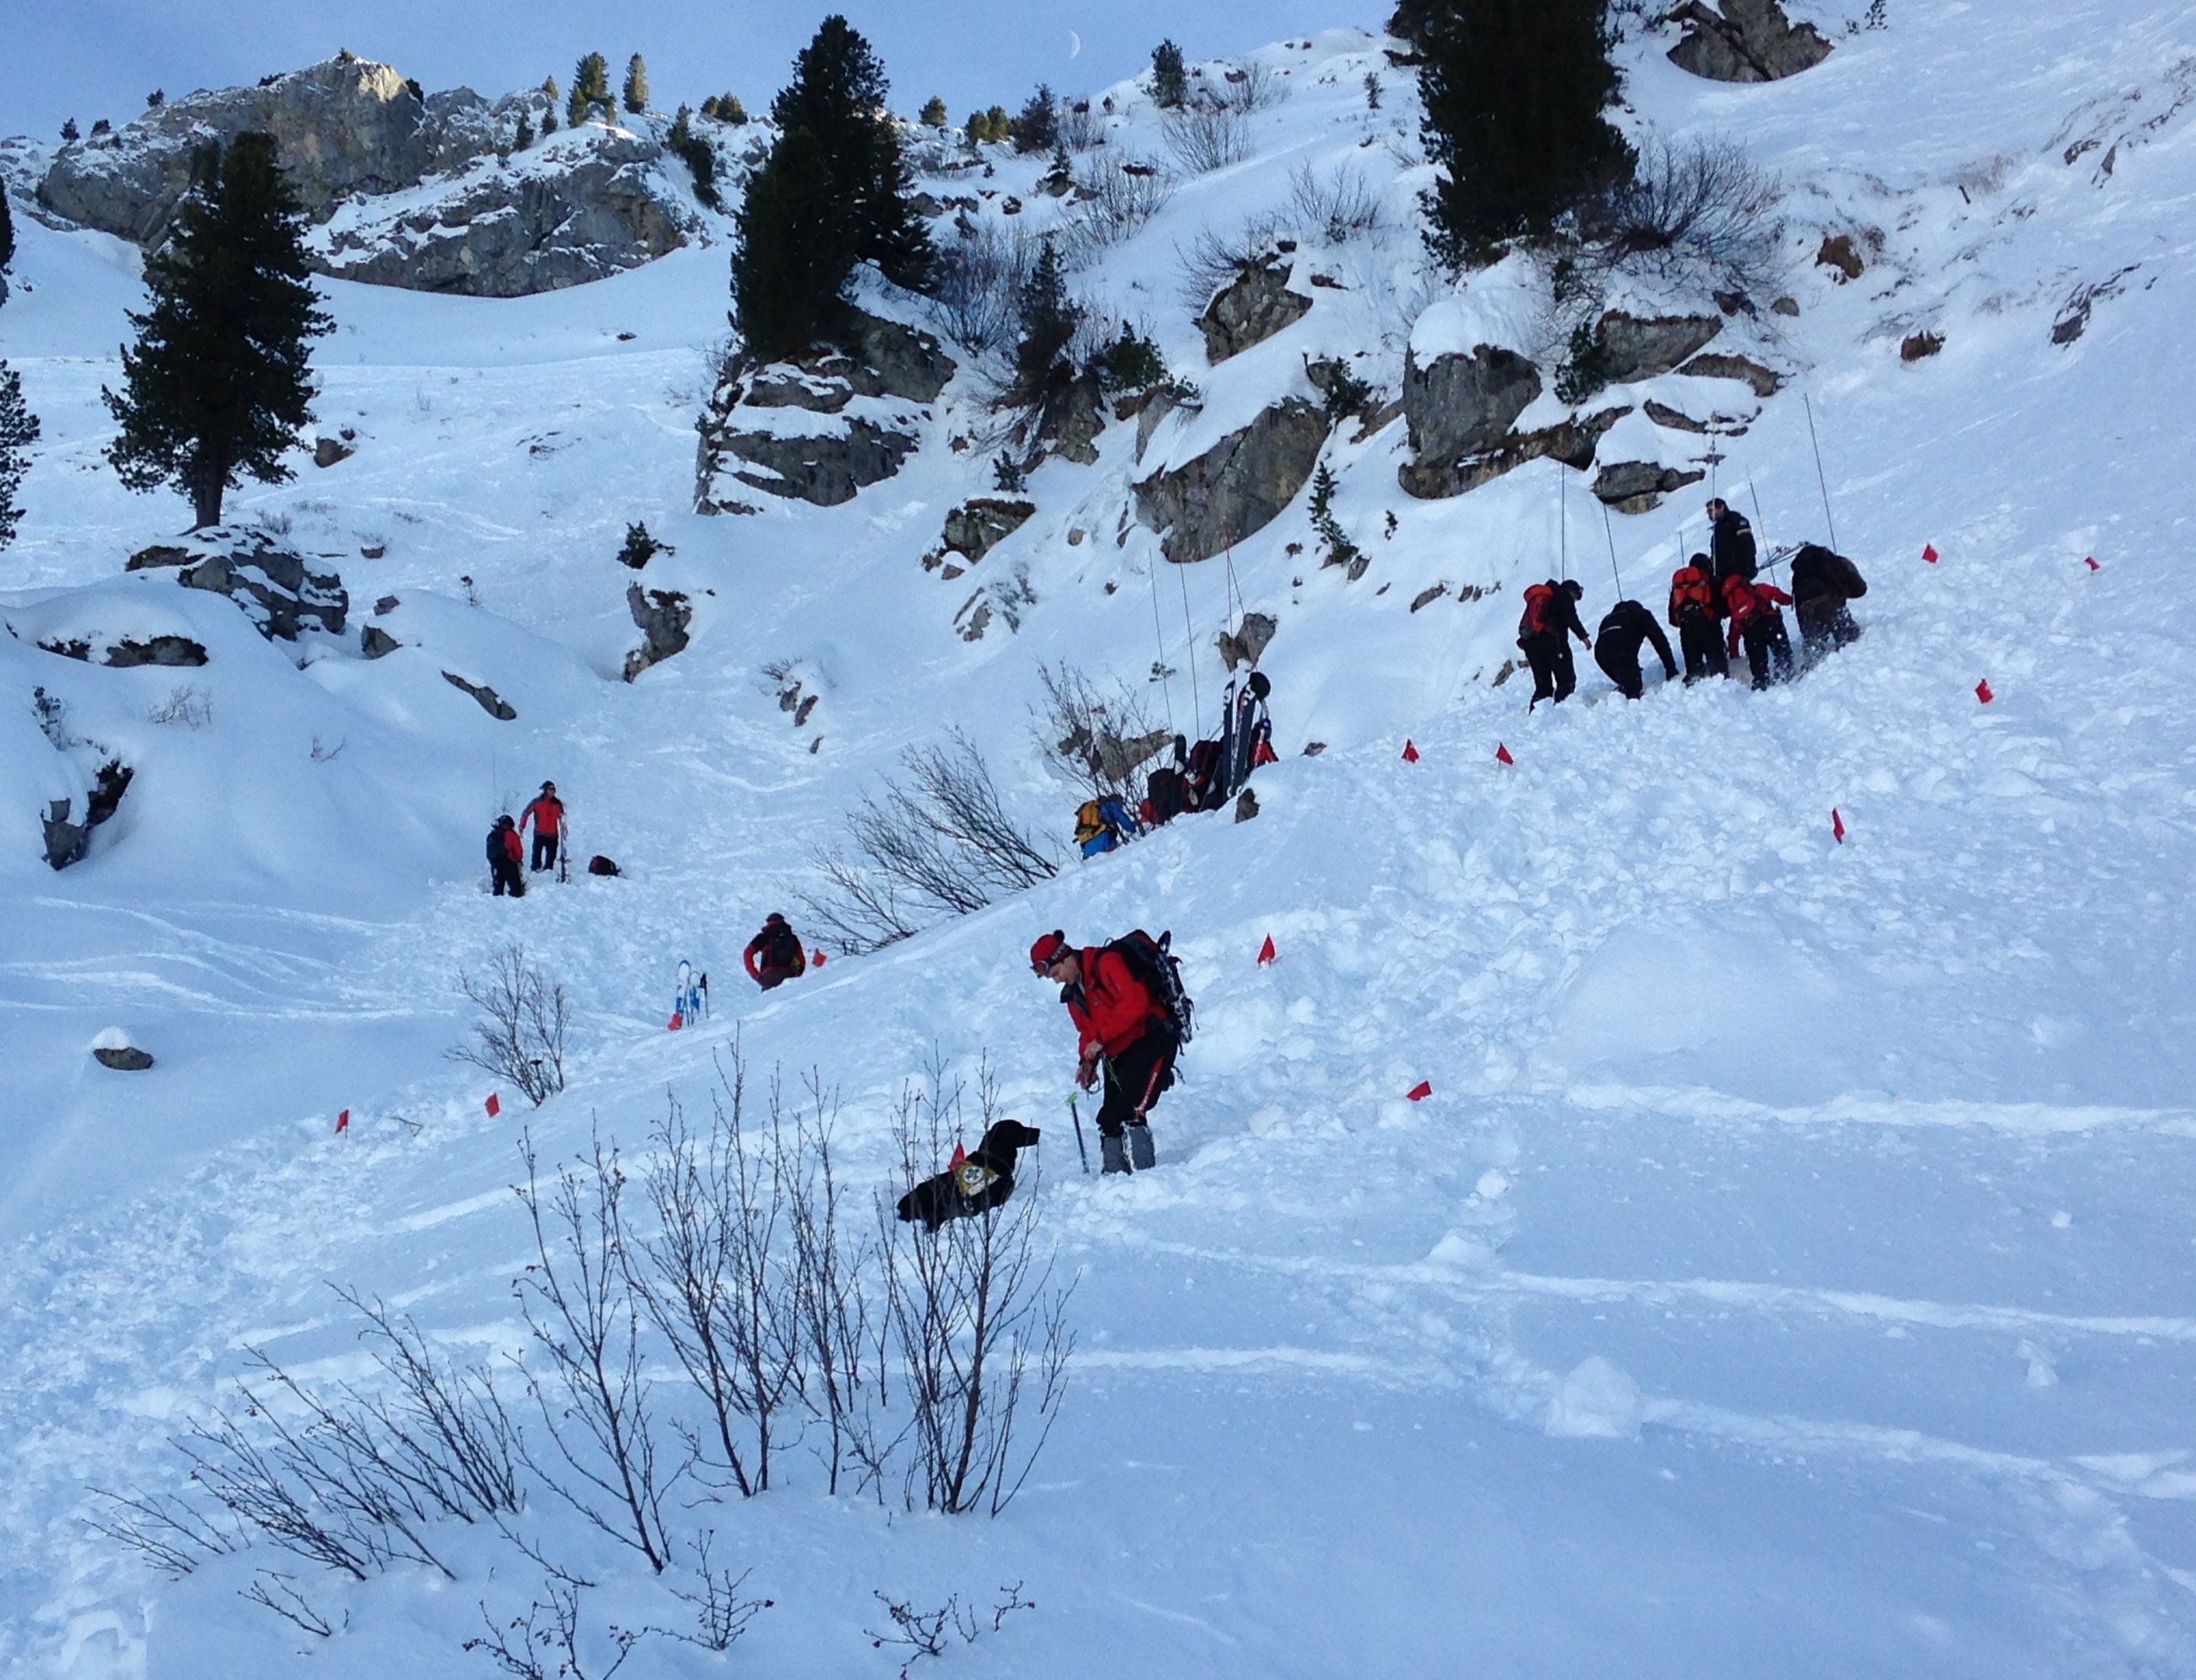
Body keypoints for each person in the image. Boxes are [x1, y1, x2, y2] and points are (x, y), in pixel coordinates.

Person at [1030, 929, 1172, 1175]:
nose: (1057, 980)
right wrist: (1087, 1063)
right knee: (1109, 1118)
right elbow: (1087, 1032)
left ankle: (1146, 1177)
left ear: (1065, 957)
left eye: (1056, 973)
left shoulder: (1106, 963)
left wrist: (1100, 1040)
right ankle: (1114, 1176)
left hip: (1150, 1038)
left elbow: (1135, 1003)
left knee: (1131, 1110)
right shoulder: (1074, 994)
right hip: (1117, 1051)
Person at [1517, 579, 1591, 708]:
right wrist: (1584, 637)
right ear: (1573, 592)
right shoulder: (1564, 596)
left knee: (1543, 687)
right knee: (1566, 681)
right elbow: (1571, 618)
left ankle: (1538, 714)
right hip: (1554, 644)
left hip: (1532, 646)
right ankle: (1563, 710)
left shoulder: (1545, 601)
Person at [1789, 544, 1868, 656]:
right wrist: (1843, 594)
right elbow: (1859, 588)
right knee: (1846, 634)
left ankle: (1814, 654)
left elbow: (1798, 604)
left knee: (1813, 643)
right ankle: (1848, 647)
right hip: (1830, 603)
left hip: (1806, 609)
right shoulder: (1835, 563)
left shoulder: (1800, 573)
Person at [1593, 598, 1679, 699]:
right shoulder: (1641, 614)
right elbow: (1659, 640)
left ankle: (1621, 691)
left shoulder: (1607, 619)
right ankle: (1629, 695)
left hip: (1600, 654)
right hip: (1622, 649)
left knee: (1626, 680)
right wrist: (1671, 668)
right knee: (1634, 690)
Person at [1724, 574, 1796, 689]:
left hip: (1751, 634)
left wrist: (1735, 656)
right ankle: (1785, 671)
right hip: (1771, 623)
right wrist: (1791, 600)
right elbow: (1778, 596)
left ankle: (1761, 682)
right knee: (1782, 651)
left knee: (1758, 662)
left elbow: (1733, 637)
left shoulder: (1735, 609)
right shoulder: (1759, 589)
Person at [1668, 553, 1728, 681]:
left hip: (1687, 631)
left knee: (1694, 674)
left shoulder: (1679, 586)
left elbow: (1673, 618)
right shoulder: (1712, 581)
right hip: (1710, 629)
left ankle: (1694, 687)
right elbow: (1724, 609)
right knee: (1719, 674)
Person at [1705, 499, 1757, 604]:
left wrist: (1748, 569)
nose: (1710, 514)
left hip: (1738, 570)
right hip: (1723, 575)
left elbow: (1748, 545)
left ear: (1722, 507)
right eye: (1708, 512)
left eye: (1712, 510)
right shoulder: (1717, 530)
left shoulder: (1736, 521)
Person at [743, 911, 807, 990]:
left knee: (771, 997)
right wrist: (798, 972)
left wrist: (756, 975)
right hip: (789, 973)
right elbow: (800, 957)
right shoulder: (792, 937)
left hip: (770, 976)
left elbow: (748, 953)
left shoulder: (765, 936)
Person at [522, 781, 565, 873]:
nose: (553, 791)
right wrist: (522, 826)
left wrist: (564, 830)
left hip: (553, 834)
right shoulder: (536, 802)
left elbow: (562, 818)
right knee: (536, 857)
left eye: (554, 789)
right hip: (539, 833)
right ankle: (535, 873)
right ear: (545, 790)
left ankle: (548, 874)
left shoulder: (558, 804)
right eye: (551, 789)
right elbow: (525, 814)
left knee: (551, 859)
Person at [487, 815, 525, 897]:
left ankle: (496, 903)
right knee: (517, 892)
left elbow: (489, 853)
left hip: (496, 864)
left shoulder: (492, 835)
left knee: (497, 891)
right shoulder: (512, 835)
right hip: (510, 864)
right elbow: (519, 853)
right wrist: (518, 860)